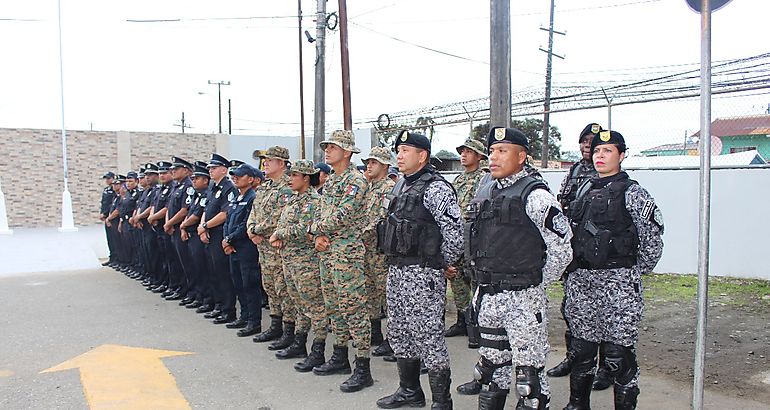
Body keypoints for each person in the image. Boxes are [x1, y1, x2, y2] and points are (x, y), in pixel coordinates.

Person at [463, 127, 573, 410]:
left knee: (529, 381)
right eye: (491, 151)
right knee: (490, 371)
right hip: (489, 295)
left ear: (521, 156)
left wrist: (536, 281)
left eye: (503, 151)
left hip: (523, 299)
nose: (494, 157)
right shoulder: (485, 190)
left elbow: (562, 247)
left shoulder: (536, 196)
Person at [562, 130, 664, 410]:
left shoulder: (633, 192)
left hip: (618, 282)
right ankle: (577, 404)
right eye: (596, 151)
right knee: (582, 350)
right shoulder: (582, 189)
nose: (600, 156)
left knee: (618, 355)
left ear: (622, 155)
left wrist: (630, 271)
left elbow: (652, 237)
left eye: (607, 151)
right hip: (582, 281)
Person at [376, 131, 463, 409]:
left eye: (405, 150)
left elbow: (455, 232)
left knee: (428, 335)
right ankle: (409, 391)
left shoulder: (436, 188)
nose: (399, 155)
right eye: (398, 150)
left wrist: (442, 263)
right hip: (397, 271)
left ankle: (441, 400)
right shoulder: (401, 185)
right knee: (400, 331)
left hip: (422, 273)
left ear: (422, 156)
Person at [309, 130, 373, 393]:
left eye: (333, 147)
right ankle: (340, 356)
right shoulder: (333, 180)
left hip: (347, 254)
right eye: (326, 147)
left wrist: (315, 230)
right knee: (335, 307)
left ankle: (363, 367)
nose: (327, 151)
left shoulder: (355, 181)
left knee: (354, 309)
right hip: (328, 251)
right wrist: (319, 236)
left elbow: (342, 216)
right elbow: (325, 213)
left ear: (347, 152)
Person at [548, 123, 611, 386]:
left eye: (592, 142)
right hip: (575, 252)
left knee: (605, 311)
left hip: (601, 255)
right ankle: (574, 357)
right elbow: (562, 201)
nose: (587, 146)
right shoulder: (574, 170)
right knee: (572, 308)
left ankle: (606, 367)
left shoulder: (609, 174)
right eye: (584, 141)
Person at [268, 160, 328, 369]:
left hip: (306, 262)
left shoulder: (314, 202)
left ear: (306, 178)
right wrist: (280, 235)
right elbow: (284, 224)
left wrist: (281, 233)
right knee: (299, 304)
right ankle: (299, 343)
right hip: (289, 259)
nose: (290, 179)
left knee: (315, 306)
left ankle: (318, 350)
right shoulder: (293, 200)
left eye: (295, 175)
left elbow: (308, 229)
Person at [248, 146, 296, 349]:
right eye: (264, 160)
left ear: (282, 163)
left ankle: (288, 331)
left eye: (270, 160)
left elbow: (279, 216)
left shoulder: (288, 187)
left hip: (279, 248)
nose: (265, 163)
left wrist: (256, 229)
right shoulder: (265, 187)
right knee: (270, 288)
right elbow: (254, 211)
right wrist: (250, 229)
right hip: (264, 249)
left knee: (283, 289)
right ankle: (275, 325)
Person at [445, 137, 487, 341]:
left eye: (468, 152)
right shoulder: (458, 180)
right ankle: (463, 319)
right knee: (457, 281)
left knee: (476, 282)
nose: (463, 155)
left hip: (474, 238)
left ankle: (477, 324)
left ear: (479, 156)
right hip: (456, 237)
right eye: (462, 151)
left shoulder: (485, 179)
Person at [359, 147, 396, 358]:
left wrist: (360, 234)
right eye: (368, 162)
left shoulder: (390, 188)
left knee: (387, 295)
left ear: (384, 165)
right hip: (366, 250)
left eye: (373, 162)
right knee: (370, 293)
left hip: (381, 250)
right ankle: (375, 333)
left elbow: (381, 219)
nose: (369, 166)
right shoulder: (368, 188)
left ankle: (393, 339)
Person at [223, 163, 263, 337]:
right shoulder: (236, 197)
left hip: (246, 247)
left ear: (251, 179)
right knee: (238, 282)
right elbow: (228, 220)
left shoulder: (253, 197)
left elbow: (246, 223)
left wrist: (230, 238)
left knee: (250, 284)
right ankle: (244, 316)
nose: (235, 178)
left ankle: (254, 322)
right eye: (234, 175)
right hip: (233, 247)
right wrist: (226, 238)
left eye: (240, 175)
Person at [198, 154, 238, 322]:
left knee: (222, 273)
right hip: (209, 233)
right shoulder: (213, 187)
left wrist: (206, 226)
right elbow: (207, 209)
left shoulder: (229, 187)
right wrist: (202, 227)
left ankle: (228, 310)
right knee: (213, 271)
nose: (210, 171)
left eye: (213, 168)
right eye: (209, 168)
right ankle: (219, 305)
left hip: (219, 233)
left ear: (224, 169)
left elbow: (225, 213)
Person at [179, 162, 213, 311]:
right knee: (194, 268)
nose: (193, 181)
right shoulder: (197, 195)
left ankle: (207, 299)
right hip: (191, 234)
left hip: (200, 236)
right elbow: (189, 212)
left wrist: (182, 225)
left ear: (205, 180)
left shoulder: (206, 195)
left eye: (196, 178)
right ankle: (198, 296)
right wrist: (183, 227)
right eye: (192, 178)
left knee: (202, 269)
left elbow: (196, 215)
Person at [100, 172, 117, 267]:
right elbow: (104, 203)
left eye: (108, 178)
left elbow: (113, 205)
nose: (107, 180)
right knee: (110, 239)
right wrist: (102, 213)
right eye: (106, 179)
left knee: (115, 240)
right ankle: (112, 257)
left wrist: (107, 215)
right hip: (107, 217)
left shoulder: (116, 191)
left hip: (113, 217)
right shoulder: (106, 190)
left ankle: (117, 258)